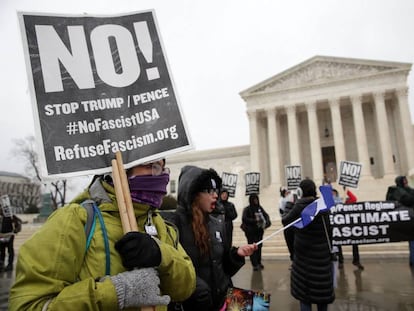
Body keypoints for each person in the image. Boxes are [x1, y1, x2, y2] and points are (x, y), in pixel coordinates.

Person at [9, 159, 196, 310]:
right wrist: (116, 292)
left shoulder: (160, 225)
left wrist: (161, 255)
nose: (161, 176)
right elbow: (29, 304)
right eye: (151, 167)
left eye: (162, 168)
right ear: (123, 166)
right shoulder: (74, 219)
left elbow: (185, 288)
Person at [173, 165, 257, 311]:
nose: (215, 195)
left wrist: (236, 255)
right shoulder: (174, 226)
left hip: (224, 299)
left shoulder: (217, 224)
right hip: (195, 305)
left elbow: (224, 268)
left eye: (215, 190)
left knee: (258, 306)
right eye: (208, 191)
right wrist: (197, 288)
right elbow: (171, 273)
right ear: (192, 193)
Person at [282, 179, 335, 311]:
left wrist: (289, 202)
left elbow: (285, 222)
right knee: (322, 298)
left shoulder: (300, 206)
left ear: (300, 191)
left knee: (305, 299)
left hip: (303, 260)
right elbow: (330, 230)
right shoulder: (323, 207)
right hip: (322, 258)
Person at [332, 188, 364, 270]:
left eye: (334, 193)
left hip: (349, 227)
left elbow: (354, 199)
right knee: (338, 244)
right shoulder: (330, 204)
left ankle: (356, 260)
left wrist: (346, 190)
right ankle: (341, 261)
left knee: (355, 242)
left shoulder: (345, 202)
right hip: (338, 227)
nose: (333, 195)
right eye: (331, 194)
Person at [386, 175, 414, 267]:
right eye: (404, 181)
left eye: (406, 180)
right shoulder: (397, 191)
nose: (406, 182)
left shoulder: (409, 190)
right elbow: (407, 200)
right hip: (407, 218)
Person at [241, 193, 271, 271]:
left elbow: (266, 215)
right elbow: (244, 218)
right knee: (252, 248)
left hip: (259, 231)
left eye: (256, 199)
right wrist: (255, 220)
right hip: (250, 232)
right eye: (254, 199)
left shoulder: (259, 208)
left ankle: (259, 262)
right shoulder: (247, 209)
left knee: (259, 247)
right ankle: (254, 264)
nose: (256, 201)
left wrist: (266, 221)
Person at [279, 187, 296, 262]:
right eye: (286, 193)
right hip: (288, 228)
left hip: (294, 228)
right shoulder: (282, 202)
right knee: (291, 246)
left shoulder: (297, 204)